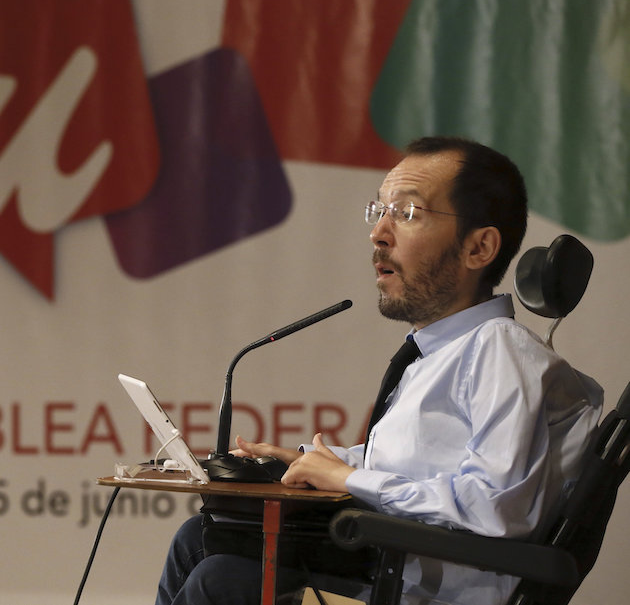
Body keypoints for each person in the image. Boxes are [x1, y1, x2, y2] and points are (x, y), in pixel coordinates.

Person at [154, 136, 603, 605]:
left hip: (432, 586)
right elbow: (422, 469)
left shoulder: (501, 353)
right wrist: (308, 460)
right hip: (401, 565)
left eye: (408, 214)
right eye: (380, 211)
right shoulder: (445, 351)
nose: (379, 233)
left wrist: (350, 481)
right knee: (200, 538)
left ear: (479, 248)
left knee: (224, 579)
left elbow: (496, 506)